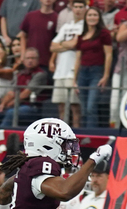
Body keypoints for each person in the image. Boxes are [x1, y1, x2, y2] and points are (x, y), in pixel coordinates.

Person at [0, 48, 48, 127]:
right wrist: (3, 104)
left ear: (38, 60)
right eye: (28, 58)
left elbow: (26, 93)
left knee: (10, 113)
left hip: (31, 107)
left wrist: (11, 104)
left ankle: (1, 135)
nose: (30, 61)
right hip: (15, 106)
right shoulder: (20, 74)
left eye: (33, 58)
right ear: (23, 60)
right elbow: (12, 92)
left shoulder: (40, 74)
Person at [73, 7, 112, 128]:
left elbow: (109, 54)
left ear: (99, 18)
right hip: (83, 73)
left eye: (95, 15)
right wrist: (74, 79)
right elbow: (78, 58)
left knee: (91, 106)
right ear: (85, 18)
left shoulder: (104, 33)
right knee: (84, 109)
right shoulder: (81, 36)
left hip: (96, 71)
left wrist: (105, 75)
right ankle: (85, 136)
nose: (92, 17)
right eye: (89, 15)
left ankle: (92, 135)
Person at [50, 0, 85, 128]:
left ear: (85, 8)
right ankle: (62, 135)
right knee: (61, 107)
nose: (78, 10)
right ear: (71, 7)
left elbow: (76, 44)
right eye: (75, 7)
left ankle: (75, 135)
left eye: (81, 7)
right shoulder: (66, 26)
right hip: (60, 71)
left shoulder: (85, 26)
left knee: (75, 107)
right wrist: (68, 44)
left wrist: (63, 44)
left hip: (73, 71)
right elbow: (53, 47)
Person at [19, 0, 58, 68]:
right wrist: (23, 54)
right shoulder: (30, 16)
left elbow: (57, 41)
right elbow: (23, 36)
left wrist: (52, 60)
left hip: (46, 61)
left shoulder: (56, 18)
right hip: (30, 60)